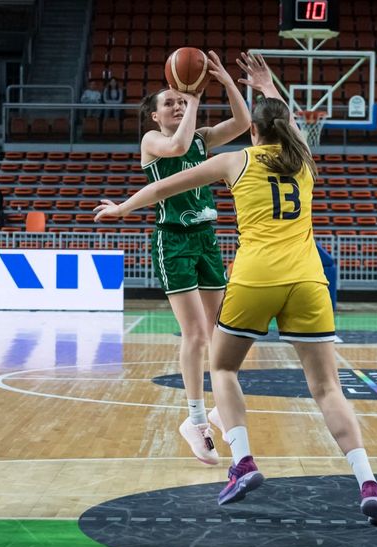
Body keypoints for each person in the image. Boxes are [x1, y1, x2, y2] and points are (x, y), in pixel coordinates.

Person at [95, 52, 377, 526]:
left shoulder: (233, 160)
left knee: (223, 365)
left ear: (252, 132)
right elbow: (282, 124)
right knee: (326, 388)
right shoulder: (303, 159)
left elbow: (159, 190)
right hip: (308, 281)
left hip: (255, 277)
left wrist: (121, 209)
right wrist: (266, 86)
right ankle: (369, 482)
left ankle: (243, 460)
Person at [137, 51, 252, 466]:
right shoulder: (154, 142)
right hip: (174, 242)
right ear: (154, 115)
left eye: (180, 100)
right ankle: (196, 419)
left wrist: (225, 80)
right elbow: (179, 144)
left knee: (223, 330)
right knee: (196, 336)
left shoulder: (202, 137)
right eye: (168, 102)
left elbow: (242, 124)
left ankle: (220, 408)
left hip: (206, 238)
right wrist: (195, 97)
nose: (177, 104)